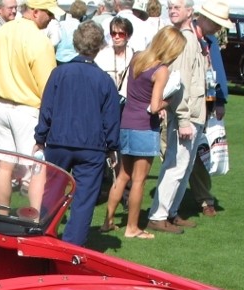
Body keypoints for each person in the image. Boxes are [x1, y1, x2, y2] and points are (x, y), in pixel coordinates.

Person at [34, 20, 120, 245]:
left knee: (52, 191)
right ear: (100, 45)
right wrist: (112, 146)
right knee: (84, 199)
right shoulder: (104, 80)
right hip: (91, 146)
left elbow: (47, 109)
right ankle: (72, 244)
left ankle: (43, 235)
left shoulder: (60, 73)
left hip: (59, 142)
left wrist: (40, 137)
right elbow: (111, 119)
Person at [102, 24, 185, 238]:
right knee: (139, 180)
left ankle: (108, 221)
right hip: (144, 128)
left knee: (122, 176)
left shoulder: (137, 57)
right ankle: (132, 228)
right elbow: (155, 105)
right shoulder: (162, 70)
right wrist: (169, 101)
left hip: (126, 122)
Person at [0, 0, 60, 207]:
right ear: (35, 12)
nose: (51, 17)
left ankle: (2, 218)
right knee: (37, 166)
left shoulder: (0, 33)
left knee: (4, 166)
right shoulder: (39, 40)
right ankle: (35, 221)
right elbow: (48, 85)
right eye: (48, 13)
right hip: (27, 110)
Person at [145, 0, 205, 235]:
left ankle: (169, 211)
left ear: (190, 11)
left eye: (177, 6)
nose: (172, 10)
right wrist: (183, 120)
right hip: (187, 114)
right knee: (176, 165)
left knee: (184, 166)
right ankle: (158, 215)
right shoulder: (185, 40)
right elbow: (180, 83)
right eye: (170, 6)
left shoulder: (190, 38)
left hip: (194, 112)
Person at [188, 0, 231, 218]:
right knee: (179, 156)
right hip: (183, 104)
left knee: (200, 151)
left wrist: (220, 100)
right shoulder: (186, 36)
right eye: (216, 23)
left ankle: (204, 198)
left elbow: (217, 71)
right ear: (203, 18)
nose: (218, 28)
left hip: (205, 103)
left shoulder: (211, 41)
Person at [94, 15, 133, 96]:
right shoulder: (101, 55)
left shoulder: (133, 55)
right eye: (113, 33)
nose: (116, 37)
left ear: (128, 36)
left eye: (121, 34)